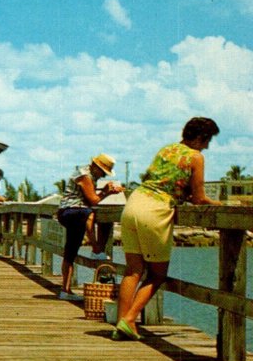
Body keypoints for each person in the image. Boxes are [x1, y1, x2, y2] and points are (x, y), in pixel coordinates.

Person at [114, 117, 221, 340]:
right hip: (155, 210)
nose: (208, 146)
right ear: (201, 137)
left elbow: (166, 181)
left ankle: (122, 325)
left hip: (134, 203)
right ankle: (130, 318)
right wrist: (219, 204)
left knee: (132, 270)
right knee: (157, 274)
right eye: (208, 140)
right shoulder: (195, 157)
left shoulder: (166, 150)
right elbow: (200, 198)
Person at [56, 154, 124, 301]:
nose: (102, 175)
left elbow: (91, 197)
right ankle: (96, 249)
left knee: (71, 251)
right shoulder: (84, 175)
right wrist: (107, 191)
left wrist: (105, 191)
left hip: (72, 211)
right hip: (70, 211)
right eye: (103, 172)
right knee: (89, 214)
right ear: (96, 167)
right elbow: (93, 200)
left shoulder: (89, 175)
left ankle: (65, 290)